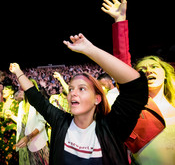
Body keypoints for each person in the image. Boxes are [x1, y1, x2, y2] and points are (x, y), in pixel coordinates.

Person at [9, 33, 148, 165]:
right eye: (70, 89)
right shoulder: (61, 122)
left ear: (97, 99)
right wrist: (18, 72)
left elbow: (135, 87)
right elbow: (36, 98)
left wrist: (90, 50)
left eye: (81, 88)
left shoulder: (112, 128)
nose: (73, 93)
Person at [102, 0, 175, 164]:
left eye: (154, 67)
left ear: (165, 73)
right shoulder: (136, 107)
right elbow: (123, 65)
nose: (148, 71)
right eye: (142, 70)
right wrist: (120, 20)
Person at [11, 78, 49, 165]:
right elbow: (22, 123)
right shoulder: (21, 104)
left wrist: (28, 137)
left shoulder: (39, 103)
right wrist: (12, 116)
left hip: (37, 144)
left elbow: (42, 124)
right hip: (24, 145)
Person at [0, 77, 19, 164]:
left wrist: (11, 115)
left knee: (11, 159)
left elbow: (21, 120)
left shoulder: (16, 104)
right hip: (1, 135)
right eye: (4, 89)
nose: (4, 91)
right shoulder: (1, 105)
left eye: (7, 89)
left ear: (12, 91)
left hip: (12, 135)